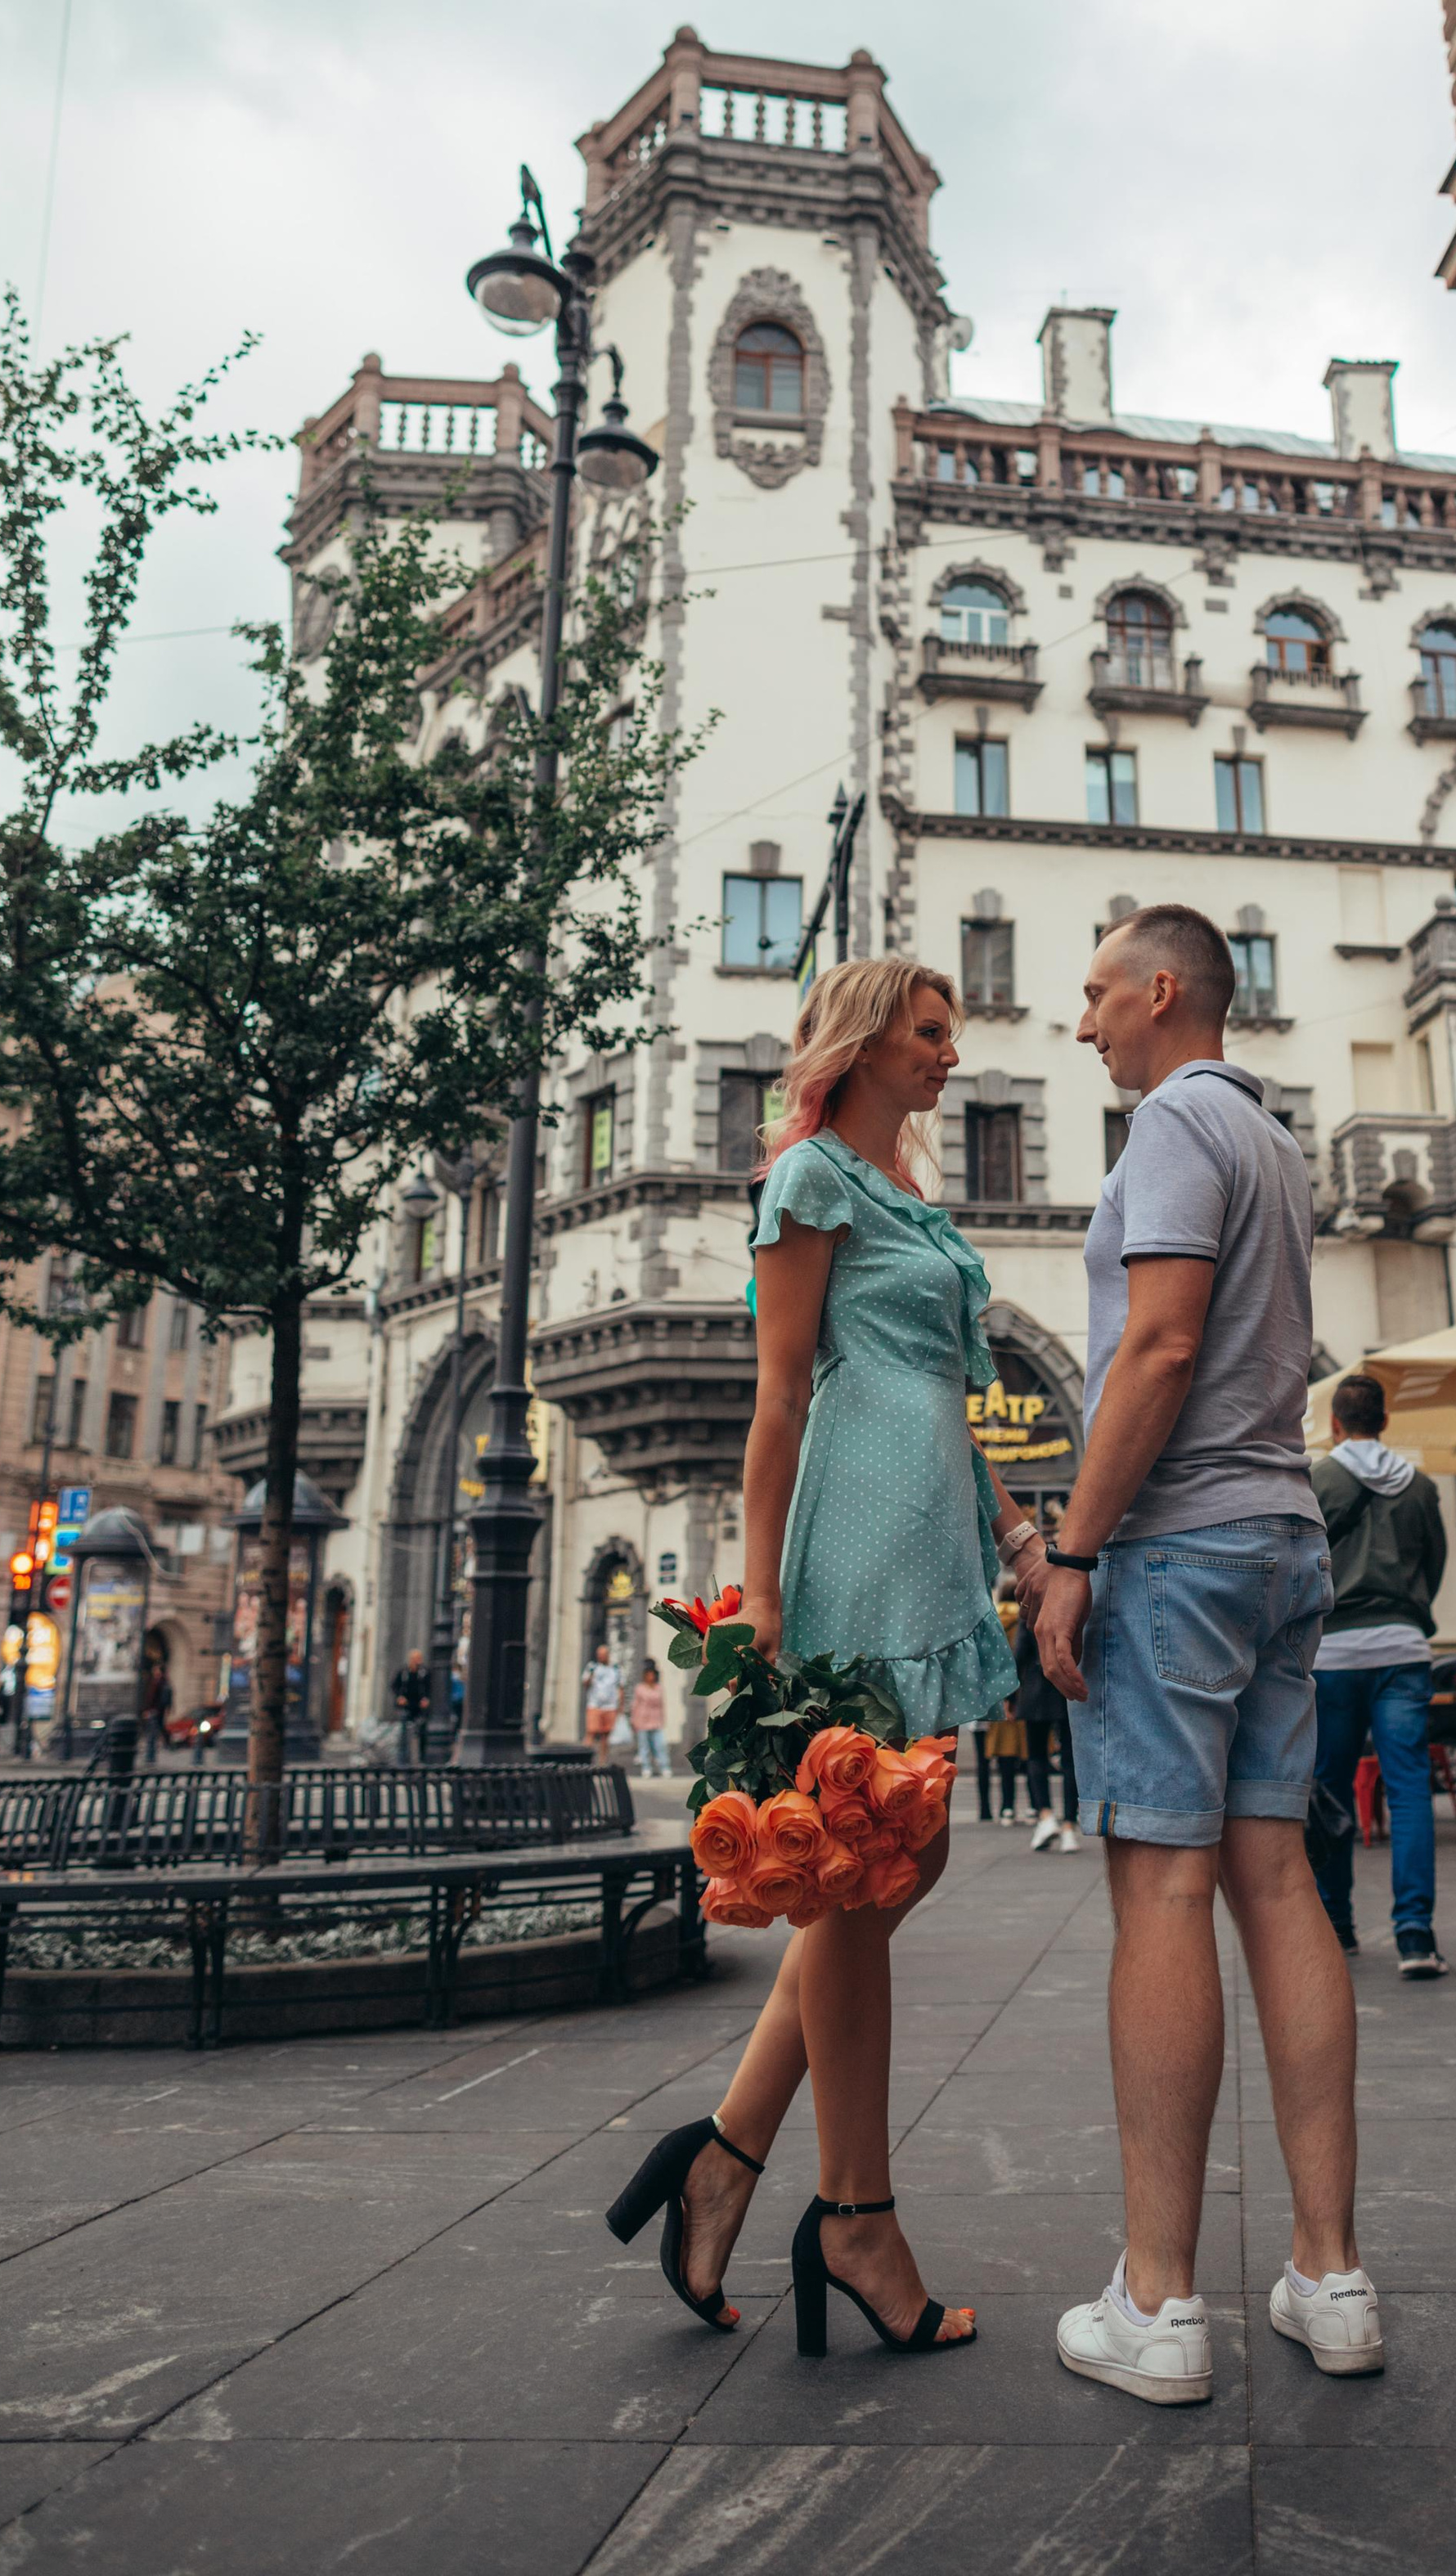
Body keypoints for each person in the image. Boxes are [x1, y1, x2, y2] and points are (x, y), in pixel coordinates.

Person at [604, 957, 1041, 2354]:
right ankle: (853, 2215)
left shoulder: (908, 1197)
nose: (949, 1056)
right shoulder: (807, 1183)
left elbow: (950, 1405)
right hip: (850, 1547)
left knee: (884, 1868)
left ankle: (727, 2155)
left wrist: (1020, 1543)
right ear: (861, 1043)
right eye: (930, 1033)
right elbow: (780, 1393)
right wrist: (767, 1604)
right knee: (863, 1875)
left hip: (929, 1541)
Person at [1036, 904, 1379, 2407]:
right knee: (1276, 1878)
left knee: (1165, 1888)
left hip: (1179, 1548)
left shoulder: (1172, 1122)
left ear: (1165, 990)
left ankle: (1162, 2305)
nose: (1087, 1019)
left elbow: (1160, 1347)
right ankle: (1330, 2277)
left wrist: (1074, 1550)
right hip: (1284, 1537)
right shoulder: (1276, 1138)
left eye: (1100, 990)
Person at [1309, 1372, 1449, 1976]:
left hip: (1332, 1654)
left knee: (1329, 1789)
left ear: (1336, 1424)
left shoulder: (1317, 1479)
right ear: (1385, 1421)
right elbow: (1434, 1565)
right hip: (1403, 1648)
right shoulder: (1419, 1487)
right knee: (1411, 1791)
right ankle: (1415, 1934)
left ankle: (1335, 1924)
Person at [1017, 1595, 1081, 1854]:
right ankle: (1068, 1826)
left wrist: (1011, 1696)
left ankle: (1045, 1816)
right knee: (1070, 1760)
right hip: (1067, 1688)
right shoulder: (1072, 1600)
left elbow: (1020, 1652)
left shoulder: (1032, 1604)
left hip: (1035, 1688)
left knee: (1035, 1755)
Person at [627, 1660, 671, 1778]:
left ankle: (664, 1766)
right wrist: (633, 1720)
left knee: (660, 1745)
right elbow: (635, 1704)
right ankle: (646, 1767)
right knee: (644, 1746)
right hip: (642, 1719)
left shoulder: (659, 1688)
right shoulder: (640, 1688)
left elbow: (662, 1705)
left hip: (656, 1720)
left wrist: (663, 1719)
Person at [582, 1643, 622, 1765]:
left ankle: (602, 1761)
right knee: (591, 1732)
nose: (601, 1657)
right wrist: (591, 1674)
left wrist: (620, 1706)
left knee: (606, 1735)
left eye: (603, 1655)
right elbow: (585, 1684)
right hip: (595, 1705)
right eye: (599, 1655)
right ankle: (586, 1759)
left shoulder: (615, 1669)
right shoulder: (592, 1667)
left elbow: (620, 1688)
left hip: (610, 1706)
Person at [390, 1647, 429, 1765]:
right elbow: (394, 1686)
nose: (418, 1661)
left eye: (419, 1658)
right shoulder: (403, 1672)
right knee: (404, 1734)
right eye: (416, 1658)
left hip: (419, 1708)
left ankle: (422, 1759)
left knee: (422, 1733)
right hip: (406, 1707)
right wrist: (399, 1697)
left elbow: (430, 1687)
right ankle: (402, 1760)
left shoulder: (424, 1673)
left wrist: (426, 1699)